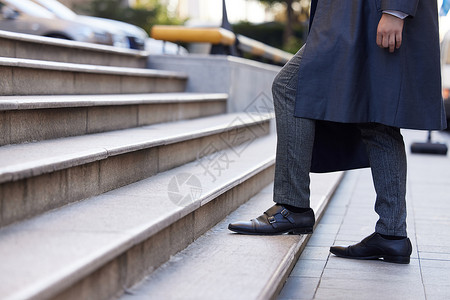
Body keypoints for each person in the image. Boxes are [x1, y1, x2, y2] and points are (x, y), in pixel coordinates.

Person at [228, 0, 447, 264]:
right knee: (377, 117)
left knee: (290, 88)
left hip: (368, 13)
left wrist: (395, 10)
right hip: (360, 15)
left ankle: (293, 206)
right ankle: (392, 235)